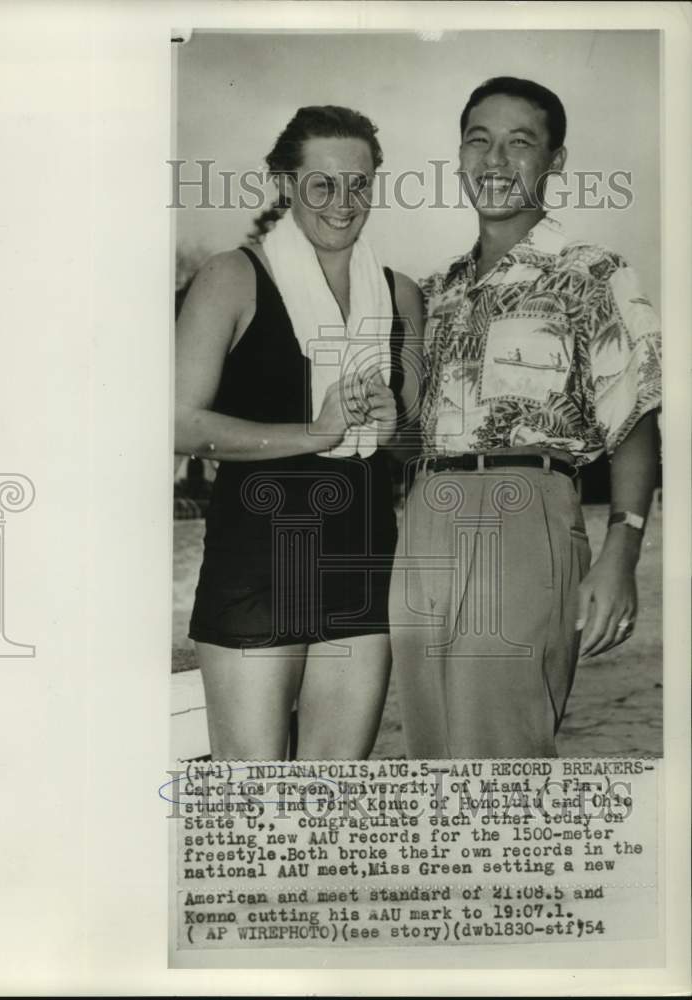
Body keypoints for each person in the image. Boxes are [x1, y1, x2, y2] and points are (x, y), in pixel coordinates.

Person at [390, 77, 661, 758]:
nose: (494, 159)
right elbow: (403, 440)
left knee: (499, 753)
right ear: (458, 154)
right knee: (432, 756)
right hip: (423, 520)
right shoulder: (429, 292)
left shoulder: (592, 273)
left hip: (523, 516)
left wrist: (619, 554)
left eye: (520, 142)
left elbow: (632, 420)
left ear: (555, 161)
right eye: (479, 140)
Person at [175, 106, 424, 761]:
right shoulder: (230, 277)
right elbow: (179, 423)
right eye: (322, 184)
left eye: (360, 184)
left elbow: (416, 445)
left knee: (330, 807)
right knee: (252, 803)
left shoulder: (401, 298)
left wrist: (399, 428)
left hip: (363, 561)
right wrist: (315, 432)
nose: (343, 203)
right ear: (285, 183)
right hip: (257, 563)